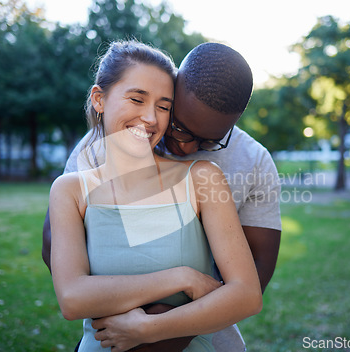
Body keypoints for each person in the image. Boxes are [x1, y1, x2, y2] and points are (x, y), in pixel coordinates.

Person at [43, 42, 282, 351]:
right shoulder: (95, 153)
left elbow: (254, 277)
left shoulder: (239, 165)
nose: (186, 148)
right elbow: (63, 267)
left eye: (208, 141)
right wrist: (171, 287)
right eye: (180, 128)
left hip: (202, 334)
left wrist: (160, 328)